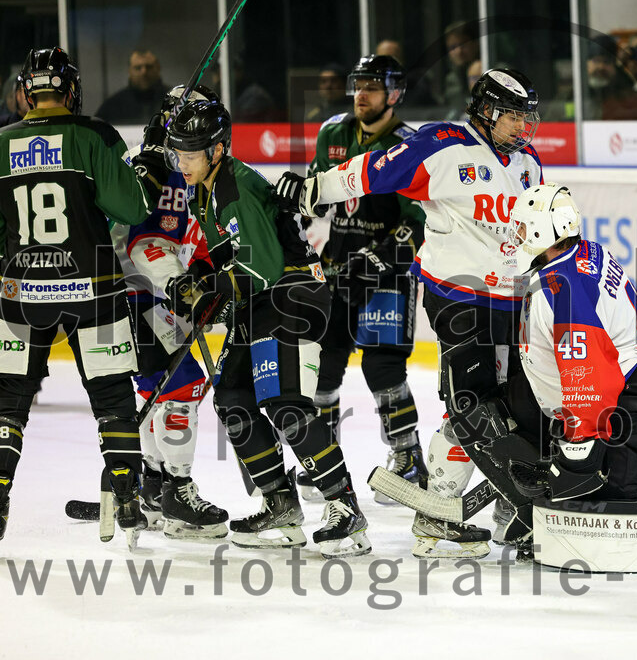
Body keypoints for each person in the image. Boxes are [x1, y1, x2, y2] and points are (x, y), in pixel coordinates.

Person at [275, 67, 547, 559]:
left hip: (513, 301)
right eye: (512, 116)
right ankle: (437, 516)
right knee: (471, 404)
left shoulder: (528, 163)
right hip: (460, 297)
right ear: (486, 112)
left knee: (517, 403)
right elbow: (373, 170)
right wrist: (316, 190)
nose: (522, 126)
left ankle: (512, 509)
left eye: (526, 116)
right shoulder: (443, 145)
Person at [147, 97, 369, 557]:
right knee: (232, 398)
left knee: (286, 405)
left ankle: (344, 507)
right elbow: (226, 253)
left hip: (291, 295)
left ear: (217, 150)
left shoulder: (236, 189)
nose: (181, 163)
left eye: (190, 154)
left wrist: (207, 288)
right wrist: (195, 278)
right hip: (258, 302)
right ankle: (279, 504)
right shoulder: (203, 188)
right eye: (177, 153)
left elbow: (262, 267)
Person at [0, 48, 155, 544]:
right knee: (112, 396)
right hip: (94, 290)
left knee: (8, 402)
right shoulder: (94, 136)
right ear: (70, 89)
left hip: (20, 293)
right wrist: (144, 170)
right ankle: (127, 496)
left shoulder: (1, 143)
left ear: (28, 93)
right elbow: (132, 208)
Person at [300, 55, 427, 504]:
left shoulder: (409, 146)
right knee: (323, 364)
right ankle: (323, 456)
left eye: (372, 87)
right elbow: (315, 197)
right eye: (359, 85)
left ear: (394, 94)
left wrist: (377, 261)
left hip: (388, 272)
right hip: (339, 268)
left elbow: (419, 222)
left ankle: (409, 458)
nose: (362, 94)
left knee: (381, 366)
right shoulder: (332, 133)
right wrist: (297, 208)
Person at [509, 184, 637, 501]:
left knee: (611, 505)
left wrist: (580, 448)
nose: (517, 235)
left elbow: (587, 373)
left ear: (543, 230)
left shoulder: (561, 287)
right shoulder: (587, 251)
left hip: (630, 396)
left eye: (523, 226)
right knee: (604, 499)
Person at [111, 84, 230, 539]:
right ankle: (177, 494)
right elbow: (146, 245)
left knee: (157, 392)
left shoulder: (159, 163)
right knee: (183, 387)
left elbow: (182, 241)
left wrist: (204, 275)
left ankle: (154, 486)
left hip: (137, 297)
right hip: (136, 297)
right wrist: (184, 287)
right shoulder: (159, 166)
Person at [95, 49, 169, 124]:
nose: (144, 72)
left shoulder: (172, 101)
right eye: (138, 68)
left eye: (149, 67)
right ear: (129, 71)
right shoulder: (112, 106)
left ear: (158, 68)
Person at [441, 21, 480, 119]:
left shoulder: (495, 71)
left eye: (464, 44)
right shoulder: (451, 79)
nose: (459, 51)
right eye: (453, 47)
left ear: (476, 44)